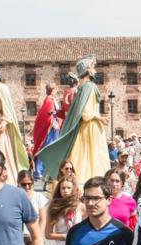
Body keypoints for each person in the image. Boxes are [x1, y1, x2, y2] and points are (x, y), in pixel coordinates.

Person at [37, 56, 110, 184]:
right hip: (90, 127)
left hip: (83, 127)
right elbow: (86, 113)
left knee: (81, 155)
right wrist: (100, 117)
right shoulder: (90, 86)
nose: (95, 70)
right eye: (92, 67)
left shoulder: (81, 88)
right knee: (92, 157)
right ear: (87, 69)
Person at [32, 83, 61, 179]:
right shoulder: (49, 100)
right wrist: (53, 118)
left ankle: (46, 171)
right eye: (54, 89)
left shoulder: (51, 99)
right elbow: (47, 114)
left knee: (50, 150)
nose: (55, 91)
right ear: (52, 90)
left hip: (54, 128)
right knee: (46, 149)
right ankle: (39, 171)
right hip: (51, 129)